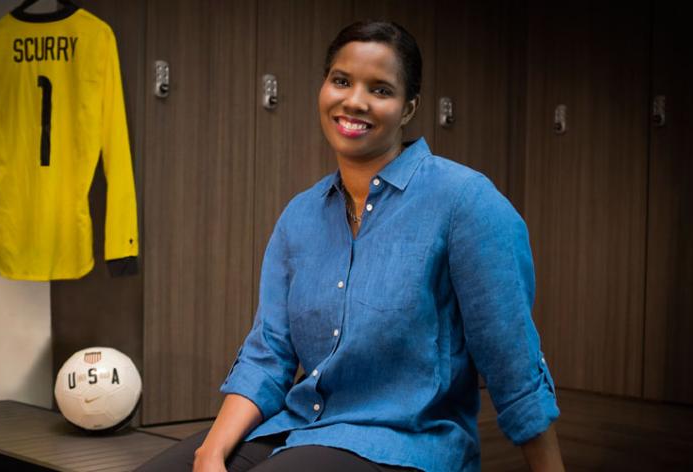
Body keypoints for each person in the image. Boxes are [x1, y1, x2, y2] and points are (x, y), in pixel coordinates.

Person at [137, 20, 564, 472]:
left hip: (405, 444)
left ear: (407, 108)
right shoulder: (300, 216)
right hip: (300, 426)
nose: (354, 101)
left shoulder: (465, 201)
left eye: (380, 90)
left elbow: (512, 361)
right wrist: (211, 452)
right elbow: (269, 354)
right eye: (341, 81)